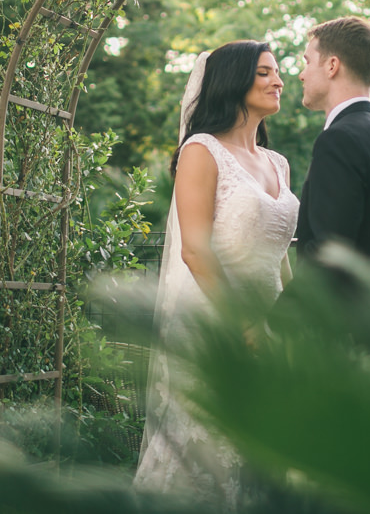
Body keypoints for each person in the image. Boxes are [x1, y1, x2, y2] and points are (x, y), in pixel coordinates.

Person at [133, 41, 299, 509]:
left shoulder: (278, 163)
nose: (278, 81)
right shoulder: (201, 151)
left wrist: (290, 323)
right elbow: (196, 251)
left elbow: (281, 255)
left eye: (278, 72)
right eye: (264, 72)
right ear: (234, 81)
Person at [295, 16, 370, 265]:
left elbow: (327, 260)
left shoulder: (339, 141)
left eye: (307, 62)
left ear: (332, 66)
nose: (301, 74)